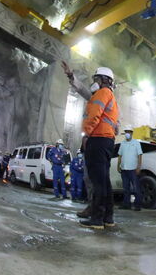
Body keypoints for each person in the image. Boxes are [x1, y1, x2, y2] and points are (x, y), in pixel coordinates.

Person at [79, 67, 119, 230]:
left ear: (104, 80)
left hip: (98, 139)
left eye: (96, 79)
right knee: (104, 181)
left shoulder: (102, 93)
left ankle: (96, 219)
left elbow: (94, 115)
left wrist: (86, 135)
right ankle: (108, 218)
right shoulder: (112, 97)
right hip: (107, 141)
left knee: (97, 182)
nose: (94, 82)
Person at [61, 61, 94, 218]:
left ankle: (97, 210)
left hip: (97, 143)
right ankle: (93, 206)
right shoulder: (94, 101)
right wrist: (70, 75)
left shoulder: (103, 99)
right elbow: (81, 89)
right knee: (89, 179)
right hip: (89, 144)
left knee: (95, 179)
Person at [117, 125, 143, 211]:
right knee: (126, 188)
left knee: (136, 188)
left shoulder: (136, 143)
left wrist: (138, 167)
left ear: (132, 133)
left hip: (133, 169)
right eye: (126, 132)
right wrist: (118, 165)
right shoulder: (122, 143)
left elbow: (140, 155)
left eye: (129, 132)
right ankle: (126, 204)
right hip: (124, 169)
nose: (127, 133)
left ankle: (137, 205)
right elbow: (120, 155)